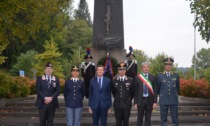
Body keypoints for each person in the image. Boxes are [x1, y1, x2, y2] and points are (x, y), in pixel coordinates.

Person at [157, 57, 180, 126]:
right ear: (164, 66)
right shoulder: (160, 75)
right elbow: (158, 88)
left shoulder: (176, 75)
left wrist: (175, 95)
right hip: (163, 100)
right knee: (163, 119)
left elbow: (178, 88)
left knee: (175, 119)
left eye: (170, 65)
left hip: (173, 100)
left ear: (172, 66)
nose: (168, 66)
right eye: (167, 64)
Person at [111, 62, 134, 126]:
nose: (121, 71)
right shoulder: (114, 81)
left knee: (126, 122)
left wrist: (128, 99)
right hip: (117, 105)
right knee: (118, 123)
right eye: (120, 69)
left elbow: (132, 93)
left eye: (123, 69)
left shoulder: (130, 80)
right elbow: (114, 92)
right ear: (118, 70)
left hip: (126, 105)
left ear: (125, 70)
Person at [134, 62, 157, 126]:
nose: (146, 68)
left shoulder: (153, 77)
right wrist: (135, 102)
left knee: (148, 118)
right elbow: (136, 91)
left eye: (147, 67)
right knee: (139, 118)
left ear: (149, 68)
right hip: (140, 101)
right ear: (142, 68)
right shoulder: (137, 78)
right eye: (144, 67)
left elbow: (155, 90)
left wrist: (155, 102)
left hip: (149, 101)